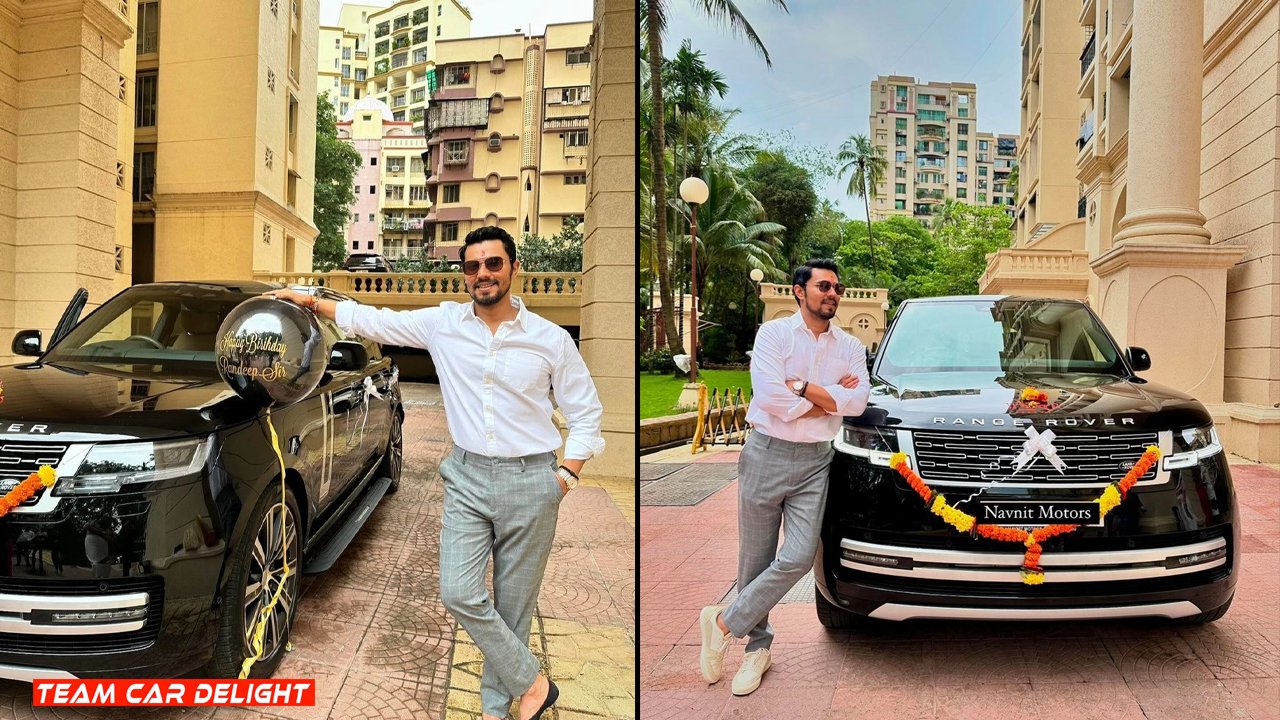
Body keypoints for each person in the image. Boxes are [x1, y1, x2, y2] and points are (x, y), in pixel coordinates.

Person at [266, 226, 604, 720]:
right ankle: (533, 681)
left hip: (534, 481)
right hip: (467, 477)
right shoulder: (444, 324)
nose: (482, 274)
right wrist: (311, 302)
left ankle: (498, 708)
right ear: (464, 275)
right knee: (460, 592)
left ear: (513, 267)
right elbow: (373, 319)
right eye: (472, 267)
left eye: (492, 264)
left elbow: (586, 411)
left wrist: (566, 476)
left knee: (514, 608)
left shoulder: (549, 340)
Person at [698, 258, 870, 696]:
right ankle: (758, 648)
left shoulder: (850, 346)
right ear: (800, 291)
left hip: (816, 461)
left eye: (838, 288)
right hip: (765, 454)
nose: (833, 294)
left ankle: (721, 621)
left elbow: (858, 402)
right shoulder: (773, 334)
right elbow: (770, 395)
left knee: (796, 556)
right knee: (754, 562)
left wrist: (801, 387)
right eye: (824, 286)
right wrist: (827, 398)